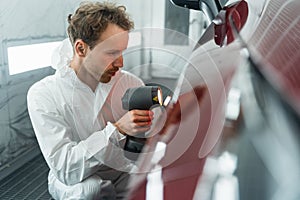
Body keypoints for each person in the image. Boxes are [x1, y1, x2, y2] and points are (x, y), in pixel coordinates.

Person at [27, 2, 154, 199]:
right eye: (112, 53)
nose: (121, 63)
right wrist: (118, 130)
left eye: (122, 52)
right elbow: (66, 169)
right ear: (81, 49)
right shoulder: (44, 94)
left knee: (155, 181)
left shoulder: (130, 82)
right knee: (91, 191)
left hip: (121, 170)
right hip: (75, 181)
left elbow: (143, 146)